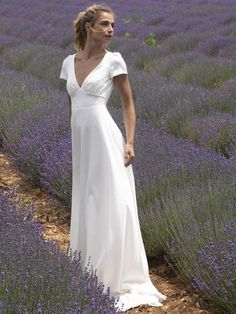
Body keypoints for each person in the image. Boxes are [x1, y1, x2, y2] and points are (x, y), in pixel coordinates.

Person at [59, 3, 167, 312]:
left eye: (112, 26)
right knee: (87, 201)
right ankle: (90, 270)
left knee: (113, 201)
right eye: (105, 24)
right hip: (83, 143)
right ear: (89, 27)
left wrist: (130, 142)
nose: (110, 30)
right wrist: (74, 137)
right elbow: (72, 106)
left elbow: (128, 105)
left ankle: (115, 274)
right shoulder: (68, 62)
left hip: (107, 140)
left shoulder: (114, 61)